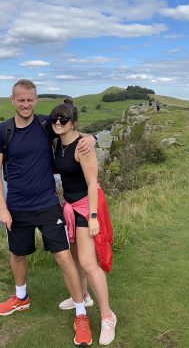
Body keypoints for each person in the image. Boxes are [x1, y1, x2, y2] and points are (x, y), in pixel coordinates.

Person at [0, 79, 97, 347]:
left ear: (35, 101)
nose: (26, 104)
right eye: (21, 99)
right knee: (18, 254)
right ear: (12, 100)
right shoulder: (2, 131)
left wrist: (90, 138)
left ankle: (81, 313)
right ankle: (21, 298)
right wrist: (2, 207)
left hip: (48, 204)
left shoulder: (45, 124)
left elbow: (70, 125)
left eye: (30, 99)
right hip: (17, 207)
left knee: (63, 255)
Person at [51, 99, 117, 345]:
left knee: (89, 263)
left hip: (86, 206)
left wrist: (92, 218)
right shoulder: (58, 142)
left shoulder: (83, 147)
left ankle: (108, 316)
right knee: (77, 258)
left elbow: (92, 184)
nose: (58, 122)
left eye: (64, 119)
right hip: (69, 206)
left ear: (74, 123)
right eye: (55, 118)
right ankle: (84, 295)